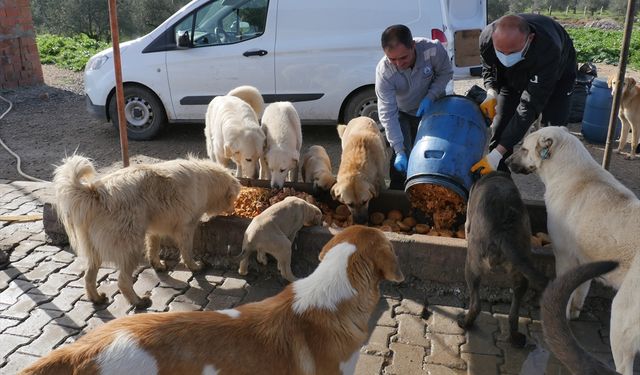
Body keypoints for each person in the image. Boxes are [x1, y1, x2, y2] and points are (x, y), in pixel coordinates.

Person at [472, 14, 577, 174]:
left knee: (554, 132)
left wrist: (497, 154)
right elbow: (488, 67)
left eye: (512, 52)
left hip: (556, 77)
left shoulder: (549, 49)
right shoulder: (486, 39)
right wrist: (491, 91)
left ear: (530, 39)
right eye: (501, 51)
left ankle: (554, 177)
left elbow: (528, 107)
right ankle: (499, 182)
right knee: (501, 127)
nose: (506, 57)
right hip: (513, 76)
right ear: (494, 38)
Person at [375, 24, 453, 189]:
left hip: (434, 108)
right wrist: (398, 150)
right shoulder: (384, 72)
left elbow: (445, 72)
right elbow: (387, 114)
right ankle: (398, 192)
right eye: (392, 59)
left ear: (413, 46)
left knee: (434, 151)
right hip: (403, 112)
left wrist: (431, 97)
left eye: (403, 57)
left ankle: (435, 187)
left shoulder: (433, 50)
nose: (398, 63)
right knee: (403, 154)